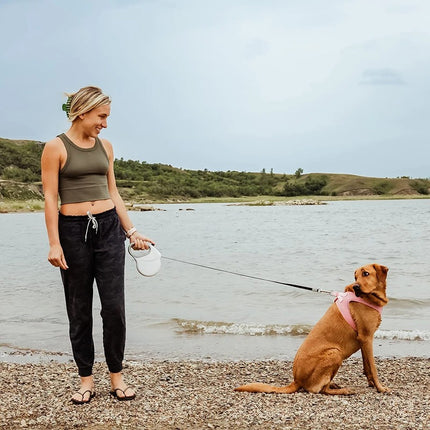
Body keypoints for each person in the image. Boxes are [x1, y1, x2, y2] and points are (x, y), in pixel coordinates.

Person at [41, 86, 154, 404]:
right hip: (72, 232)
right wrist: (54, 243)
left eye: (107, 117)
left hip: (108, 229)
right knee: (79, 311)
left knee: (114, 309)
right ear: (82, 112)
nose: (105, 123)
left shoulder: (106, 146)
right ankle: (86, 380)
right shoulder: (55, 147)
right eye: (101, 116)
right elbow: (50, 197)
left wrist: (132, 232)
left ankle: (116, 377)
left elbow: (113, 192)